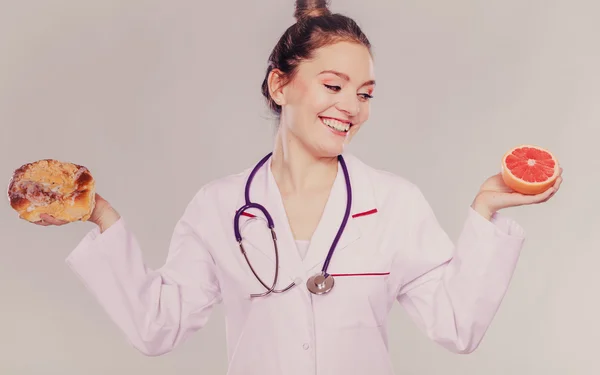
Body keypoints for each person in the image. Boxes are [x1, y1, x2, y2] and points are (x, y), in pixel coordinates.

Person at [38, 0, 563, 374]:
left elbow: (458, 327)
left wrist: (486, 207)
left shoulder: (395, 203)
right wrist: (102, 216)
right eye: (333, 86)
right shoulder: (219, 206)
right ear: (279, 83)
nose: (351, 107)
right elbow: (157, 327)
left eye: (365, 93)